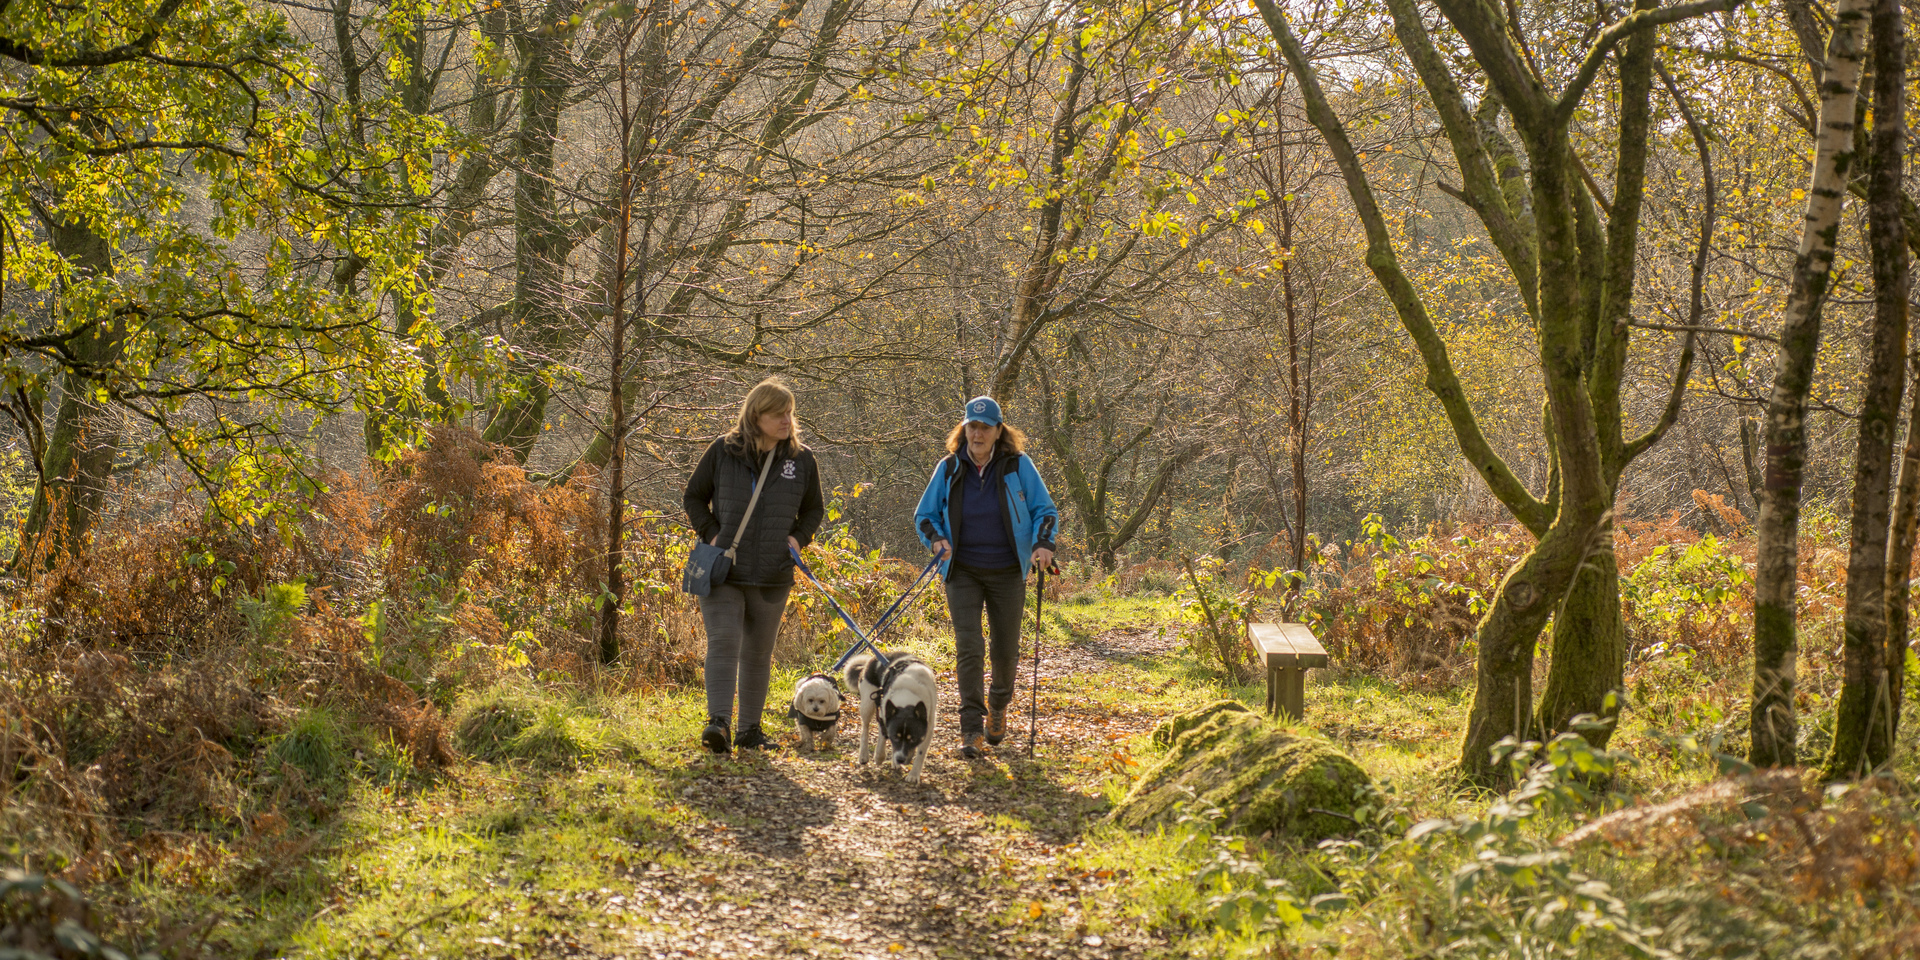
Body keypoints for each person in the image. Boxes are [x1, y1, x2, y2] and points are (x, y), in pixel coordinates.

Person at [914, 395, 1059, 759]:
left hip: (1008, 569)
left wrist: (1043, 544)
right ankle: (970, 728)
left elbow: (1045, 509)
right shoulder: (949, 468)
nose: (977, 434)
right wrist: (937, 541)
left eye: (985, 427)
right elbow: (925, 516)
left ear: (999, 431)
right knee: (969, 646)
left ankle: (998, 705)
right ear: (963, 429)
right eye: (971, 426)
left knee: (1005, 650)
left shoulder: (1017, 465)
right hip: (961, 569)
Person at [684, 378, 825, 754]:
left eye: (789, 413)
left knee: (759, 653)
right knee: (724, 642)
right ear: (755, 415)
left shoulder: (802, 458)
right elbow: (694, 497)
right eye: (778, 414)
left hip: (772, 573)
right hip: (724, 570)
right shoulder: (722, 451)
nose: (786, 420)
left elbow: (814, 510)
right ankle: (718, 724)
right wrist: (712, 534)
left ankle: (749, 730)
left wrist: (797, 539)